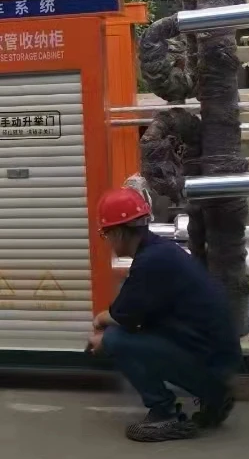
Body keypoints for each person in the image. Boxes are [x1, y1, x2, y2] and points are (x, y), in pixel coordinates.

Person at [88, 187, 241, 442]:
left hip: (211, 363)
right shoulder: (160, 251)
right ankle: (214, 396)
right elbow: (137, 312)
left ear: (118, 232)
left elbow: (123, 316)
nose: (107, 241)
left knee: (115, 340)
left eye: (105, 234)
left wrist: (99, 324)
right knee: (125, 333)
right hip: (219, 357)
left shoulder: (151, 262)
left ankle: (164, 414)